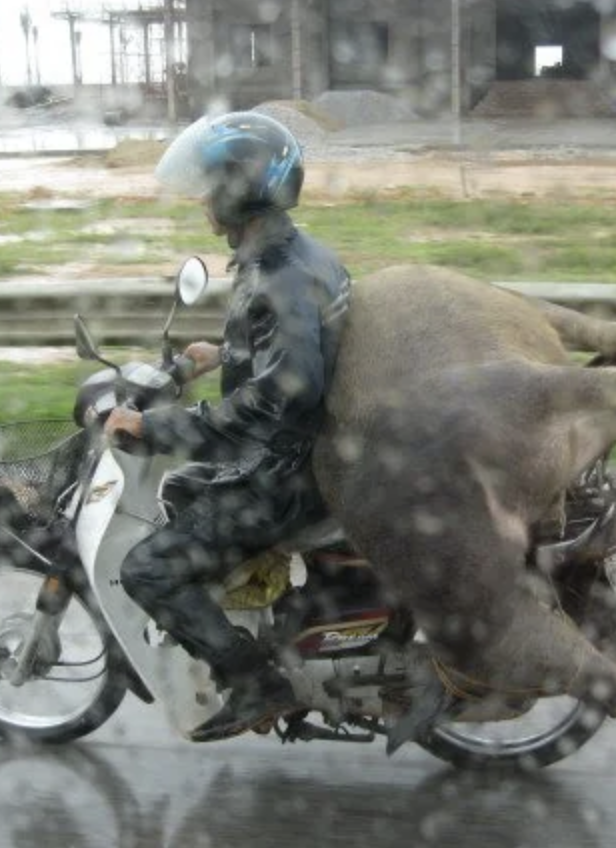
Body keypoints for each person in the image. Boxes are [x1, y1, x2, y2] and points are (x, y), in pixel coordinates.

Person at [104, 112, 352, 742]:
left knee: (147, 571)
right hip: (310, 453)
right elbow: (295, 353)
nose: (203, 201)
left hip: (282, 475)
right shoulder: (297, 254)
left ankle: (253, 682)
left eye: (212, 185)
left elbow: (279, 401)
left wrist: (156, 428)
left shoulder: (274, 279)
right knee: (184, 495)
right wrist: (222, 356)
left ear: (241, 191)